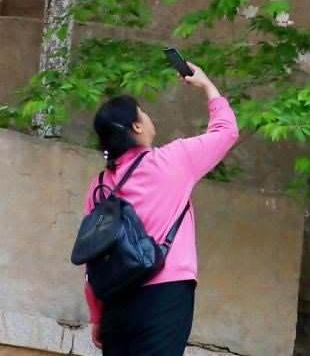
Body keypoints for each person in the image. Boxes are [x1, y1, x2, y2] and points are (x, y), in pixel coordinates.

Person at [85, 63, 239, 355]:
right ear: (137, 126)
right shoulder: (173, 160)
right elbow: (226, 131)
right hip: (165, 292)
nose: (148, 116)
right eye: (142, 112)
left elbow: (94, 256)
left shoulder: (100, 187)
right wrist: (207, 86)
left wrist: (97, 315)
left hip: (116, 300)